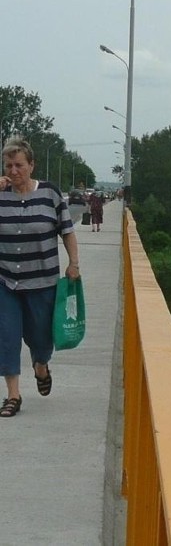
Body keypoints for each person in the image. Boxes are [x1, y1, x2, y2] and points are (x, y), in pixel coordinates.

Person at [0, 137, 80, 417]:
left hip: (42, 282)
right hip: (5, 281)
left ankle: (41, 366)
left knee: (41, 338)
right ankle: (12, 395)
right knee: (6, 336)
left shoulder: (50, 194)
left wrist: (74, 264)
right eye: (8, 165)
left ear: (31, 165)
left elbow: (67, 231)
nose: (13, 171)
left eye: (19, 165)